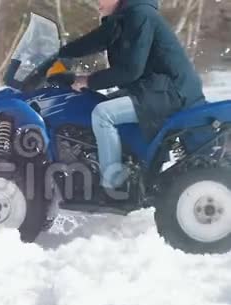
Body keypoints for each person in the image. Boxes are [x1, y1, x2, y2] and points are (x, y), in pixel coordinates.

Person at [58, 0, 205, 192]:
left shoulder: (139, 15)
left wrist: (88, 81)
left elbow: (130, 71)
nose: (97, 1)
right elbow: (95, 41)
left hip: (171, 93)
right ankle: (128, 167)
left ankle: (113, 184)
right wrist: (60, 53)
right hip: (157, 90)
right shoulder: (124, 18)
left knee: (103, 114)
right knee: (98, 103)